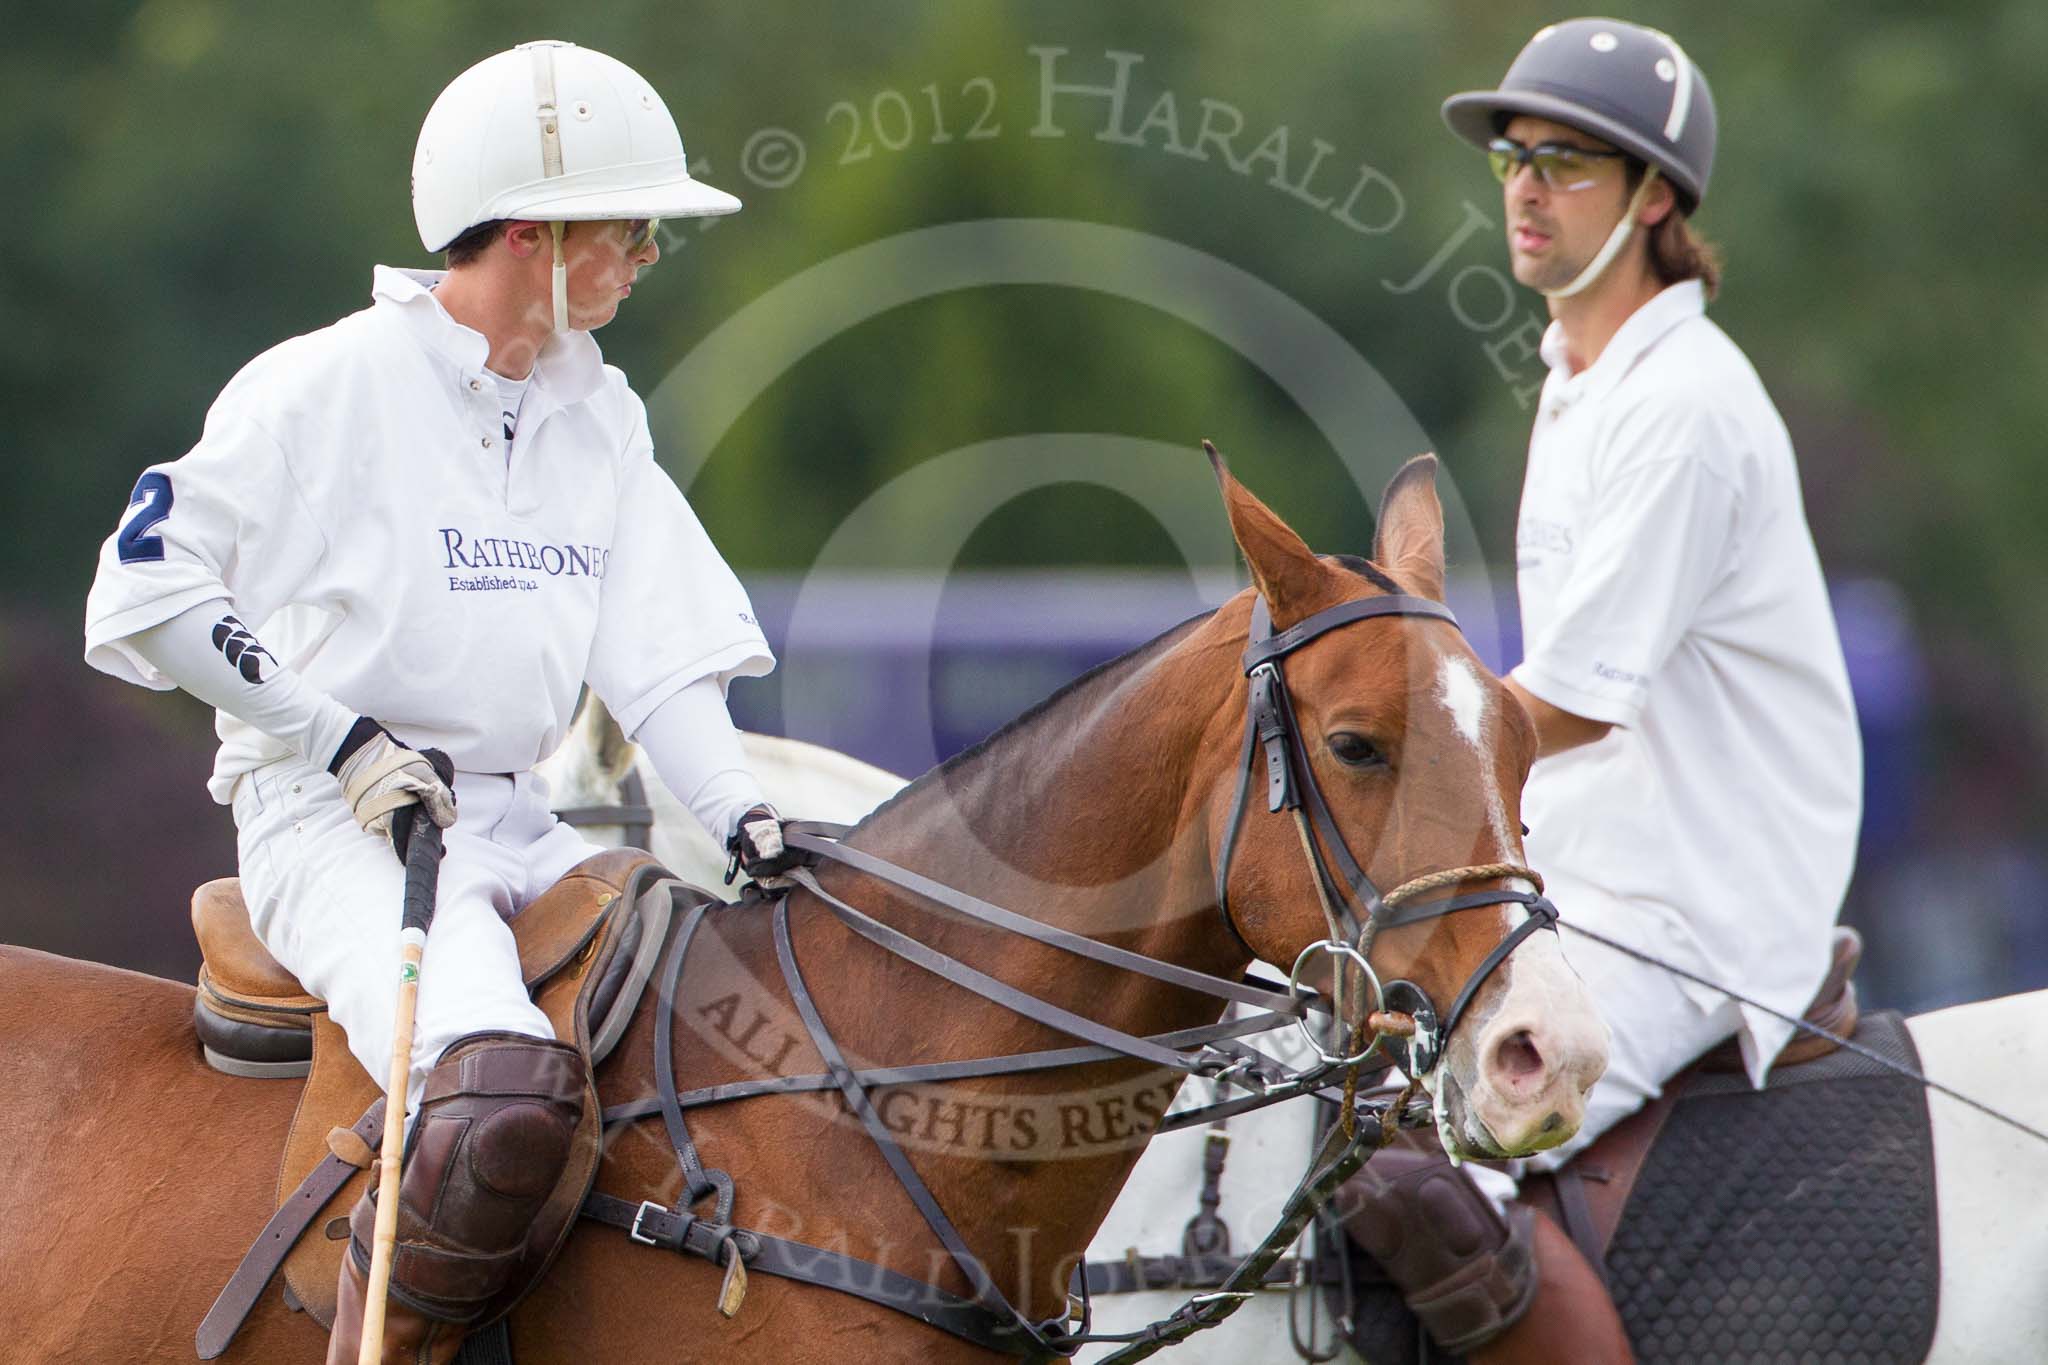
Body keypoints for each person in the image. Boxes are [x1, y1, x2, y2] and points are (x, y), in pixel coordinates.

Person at [82, 40, 796, 1363]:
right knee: (502, 1094)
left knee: (725, 1040)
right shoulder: (329, 382)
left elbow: (663, 653)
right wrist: (334, 734)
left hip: (523, 822)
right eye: (630, 229)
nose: (646, 256)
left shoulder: (601, 413)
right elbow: (142, 589)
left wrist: (751, 819)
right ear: (534, 234)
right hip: (336, 821)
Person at [1339, 19, 1863, 1362]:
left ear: (1653, 199)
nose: (1523, 184)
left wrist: (1389, 760)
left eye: (1567, 161)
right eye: (1514, 155)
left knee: (1437, 1162)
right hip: (1590, 870)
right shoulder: (1579, 379)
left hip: (1696, 898)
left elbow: (1575, 698)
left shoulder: (1683, 403)